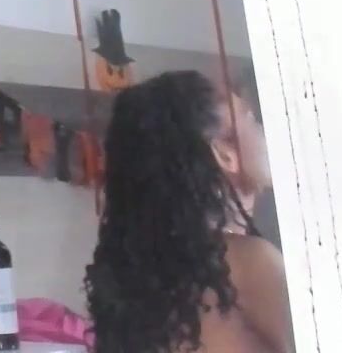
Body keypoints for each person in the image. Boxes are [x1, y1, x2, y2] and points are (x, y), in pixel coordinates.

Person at [84, 70, 294, 353]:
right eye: (251, 119)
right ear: (225, 154)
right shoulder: (247, 263)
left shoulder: (148, 287)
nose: (264, 132)